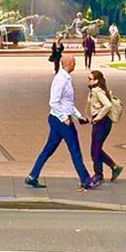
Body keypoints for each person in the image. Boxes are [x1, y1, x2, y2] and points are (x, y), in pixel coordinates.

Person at [26, 54, 100, 191]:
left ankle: (32, 176)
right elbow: (53, 102)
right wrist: (64, 118)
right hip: (61, 121)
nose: (75, 64)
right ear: (69, 64)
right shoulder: (60, 79)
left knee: (48, 150)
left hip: (58, 119)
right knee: (75, 150)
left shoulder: (65, 78)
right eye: (74, 62)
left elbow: (67, 103)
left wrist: (78, 117)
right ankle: (85, 180)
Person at [85, 70, 124, 183]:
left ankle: (99, 175)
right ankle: (114, 167)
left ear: (96, 80)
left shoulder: (98, 92)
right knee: (95, 149)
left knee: (95, 150)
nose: (87, 80)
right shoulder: (94, 91)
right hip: (99, 122)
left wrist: (98, 117)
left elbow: (107, 105)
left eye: (90, 78)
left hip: (102, 123)